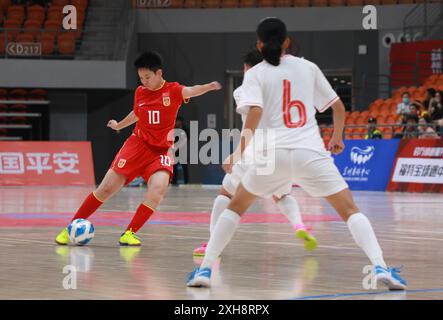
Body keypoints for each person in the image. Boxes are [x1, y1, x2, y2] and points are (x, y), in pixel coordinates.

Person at [187, 18, 406, 290]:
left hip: (272, 156)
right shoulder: (308, 67)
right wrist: (338, 138)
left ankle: (205, 270)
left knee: (234, 207)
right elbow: (338, 108)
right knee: (350, 210)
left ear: (259, 44)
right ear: (287, 42)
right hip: (310, 153)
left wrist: (237, 152)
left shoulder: (255, 74)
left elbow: (254, 114)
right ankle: (380, 266)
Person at [55, 51, 221, 246]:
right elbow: (137, 114)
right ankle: (70, 228)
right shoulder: (140, 92)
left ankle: (129, 233)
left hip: (160, 151)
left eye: (147, 77)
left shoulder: (173, 91)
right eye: (141, 78)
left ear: (159, 73)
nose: (144, 82)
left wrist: (209, 87)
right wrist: (119, 125)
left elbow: (192, 90)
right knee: (105, 189)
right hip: (137, 145)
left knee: (157, 189)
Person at [192, 49, 317, 258]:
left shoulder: (244, 90)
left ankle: (213, 242)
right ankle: (299, 225)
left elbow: (253, 114)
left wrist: (236, 153)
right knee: (282, 194)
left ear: (247, 68)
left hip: (255, 151)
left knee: (225, 193)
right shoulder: (281, 89)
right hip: (281, 150)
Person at [171, 116, 189, 185]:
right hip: (174, 152)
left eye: (179, 121)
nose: (177, 123)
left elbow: (186, 139)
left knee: (184, 167)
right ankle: (173, 182)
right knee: (174, 167)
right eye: (176, 121)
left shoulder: (184, 129)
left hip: (182, 151)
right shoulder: (173, 129)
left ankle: (186, 182)